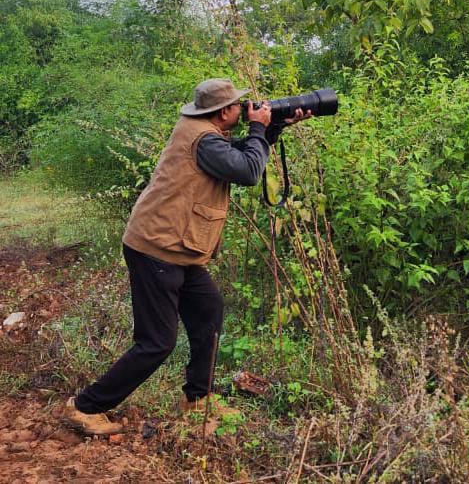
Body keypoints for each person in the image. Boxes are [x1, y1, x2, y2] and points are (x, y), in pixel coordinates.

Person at [59, 77, 309, 437]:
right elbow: (247, 171)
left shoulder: (205, 131)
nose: (243, 109)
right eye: (237, 106)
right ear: (222, 113)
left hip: (179, 247)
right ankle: (86, 407)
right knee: (157, 343)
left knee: (208, 312)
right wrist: (258, 128)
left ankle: (198, 398)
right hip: (157, 248)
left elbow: (237, 157)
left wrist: (272, 129)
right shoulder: (204, 138)